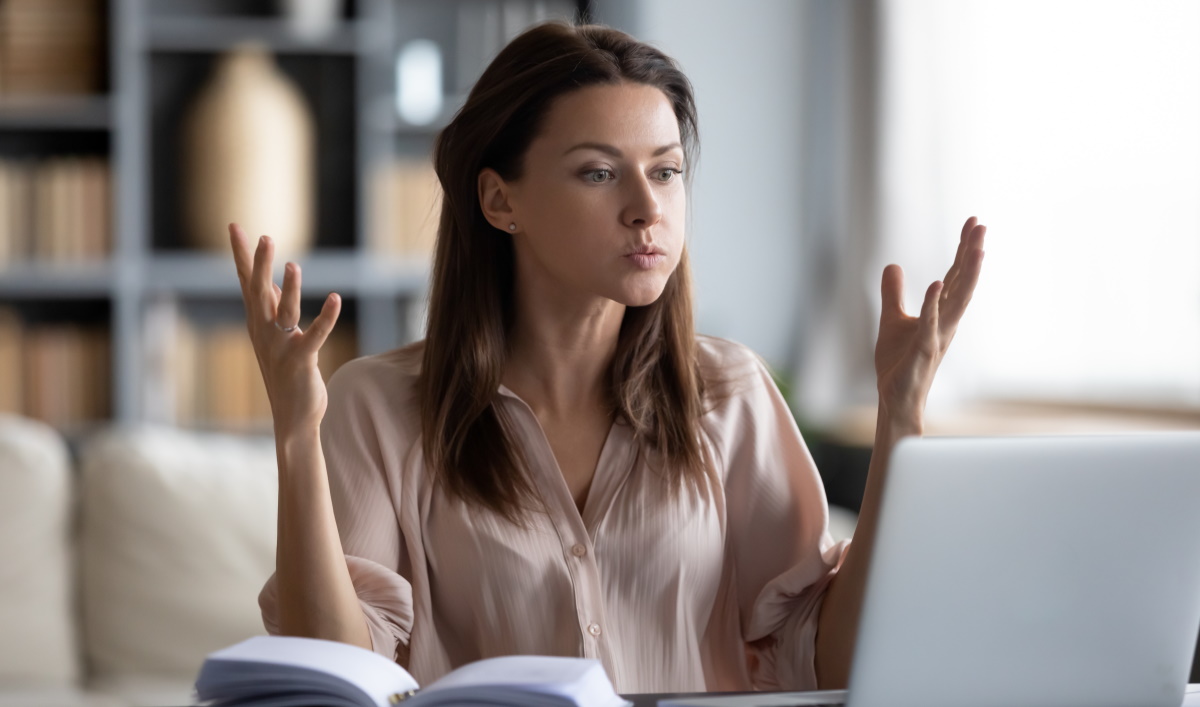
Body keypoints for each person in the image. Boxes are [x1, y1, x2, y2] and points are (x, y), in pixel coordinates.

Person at [228, 21, 985, 695]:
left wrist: (900, 416)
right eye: (598, 172)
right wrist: (296, 435)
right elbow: (332, 680)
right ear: (500, 202)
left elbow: (836, 668)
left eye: (665, 170)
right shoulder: (377, 405)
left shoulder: (732, 392)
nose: (647, 207)